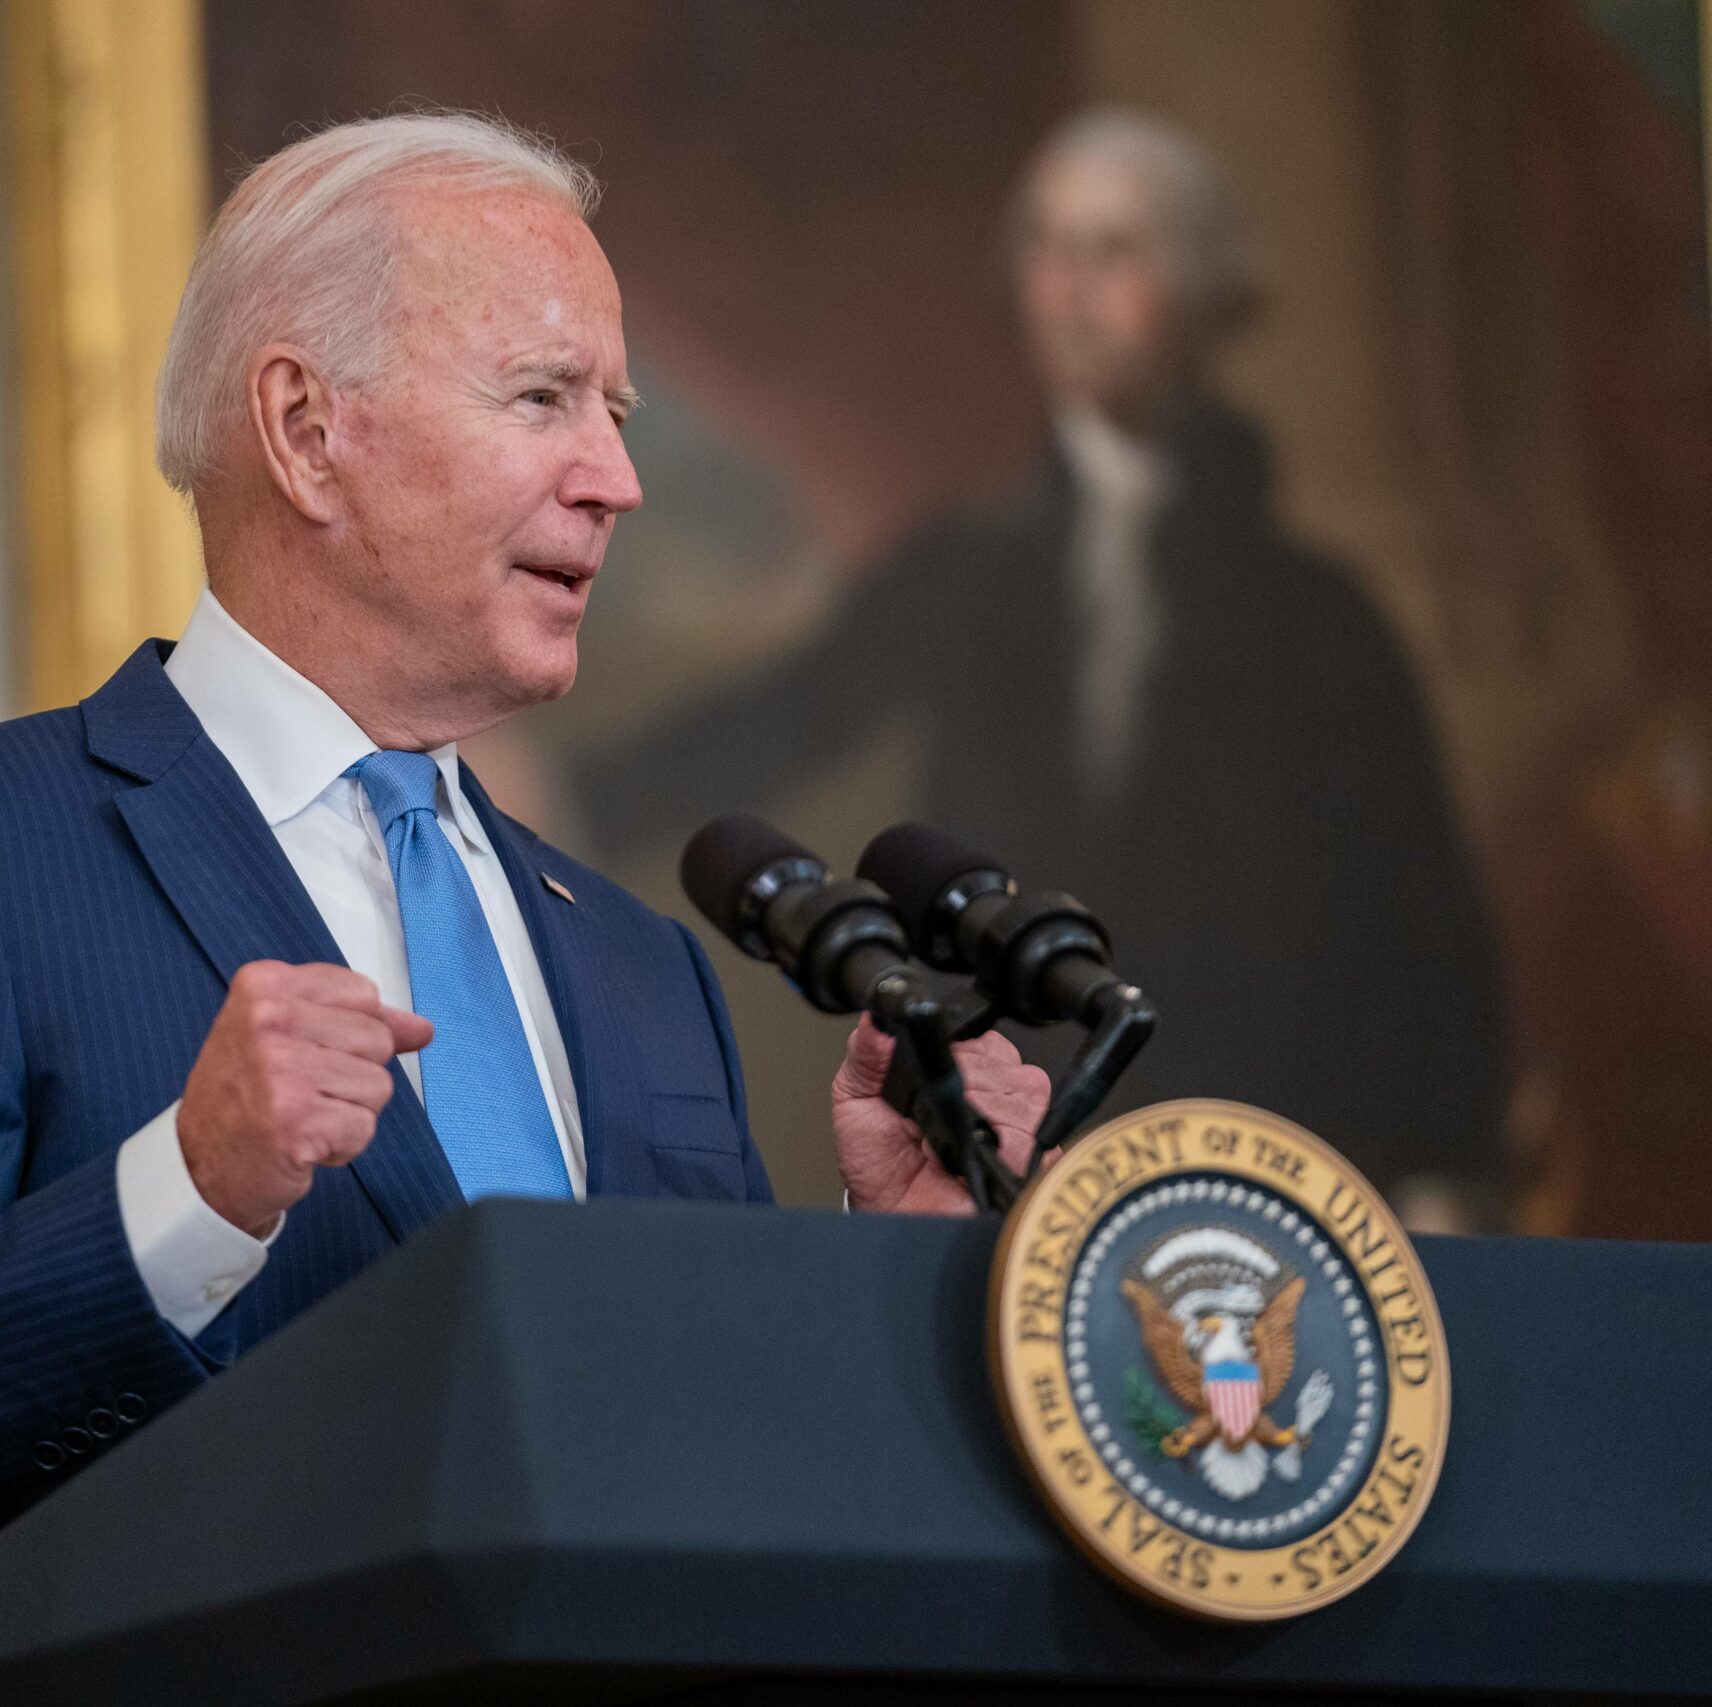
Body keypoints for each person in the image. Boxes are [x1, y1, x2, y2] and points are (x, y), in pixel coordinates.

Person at [0, 113, 1045, 1618]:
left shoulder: (635, 957)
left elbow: (704, 1473)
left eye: (614, 408)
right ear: (304, 429)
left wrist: (892, 1264)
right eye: (545, 397)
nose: (619, 477)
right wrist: (186, 1195)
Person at [580, 109, 1508, 1220]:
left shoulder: (1318, 618)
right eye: (1048, 249)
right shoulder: (969, 568)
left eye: (1113, 253)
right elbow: (791, 712)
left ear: (1204, 293)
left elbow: (1417, 905)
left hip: (1264, 1159)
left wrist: (1447, 1164)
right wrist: (572, 797)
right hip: (1014, 1146)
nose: (1068, 290)